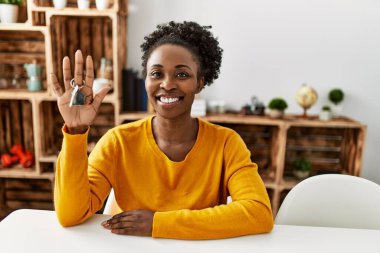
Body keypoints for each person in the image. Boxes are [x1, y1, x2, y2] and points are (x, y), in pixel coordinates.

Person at [51, 21, 273, 240]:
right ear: (146, 80)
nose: (167, 84)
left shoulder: (226, 143)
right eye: (156, 74)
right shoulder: (118, 142)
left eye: (182, 75)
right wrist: (76, 130)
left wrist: (157, 223)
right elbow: (71, 214)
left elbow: (259, 213)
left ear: (200, 83)